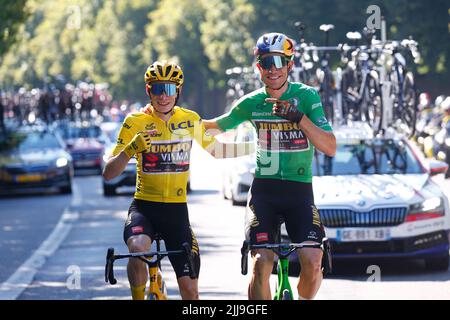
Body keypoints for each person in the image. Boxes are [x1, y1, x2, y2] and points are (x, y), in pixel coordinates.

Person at [103, 60, 254, 300]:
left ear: (178, 91)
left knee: (191, 293)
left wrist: (255, 147)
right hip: (144, 206)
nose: (164, 96)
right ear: (148, 91)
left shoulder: (190, 119)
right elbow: (109, 173)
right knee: (137, 247)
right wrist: (131, 148)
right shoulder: (134, 122)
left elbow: (218, 151)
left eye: (170, 89)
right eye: (157, 89)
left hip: (176, 212)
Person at [203, 32, 336, 300]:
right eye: (266, 62)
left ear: (289, 65)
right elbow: (213, 127)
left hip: (300, 192)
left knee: (312, 260)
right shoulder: (252, 102)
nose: (272, 69)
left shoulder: (307, 97)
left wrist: (299, 118)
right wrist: (171, 118)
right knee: (262, 262)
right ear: (258, 67)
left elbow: (330, 146)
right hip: (265, 192)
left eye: (278, 62)